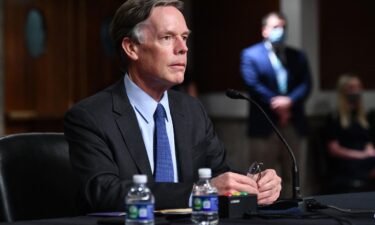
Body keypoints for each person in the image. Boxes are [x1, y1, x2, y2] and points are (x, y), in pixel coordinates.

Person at [64, 0, 281, 213]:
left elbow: (221, 175)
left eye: (185, 37)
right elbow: (103, 192)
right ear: (131, 48)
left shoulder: (192, 110)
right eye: (167, 38)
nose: (183, 48)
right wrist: (199, 191)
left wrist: (253, 185)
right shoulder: (90, 116)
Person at [240, 12, 312, 198]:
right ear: (264, 31)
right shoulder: (251, 55)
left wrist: (289, 102)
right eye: (275, 27)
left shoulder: (297, 56)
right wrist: (278, 103)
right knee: (260, 179)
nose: (280, 31)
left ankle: (293, 214)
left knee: (293, 177)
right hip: (264, 125)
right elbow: (253, 84)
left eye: (283, 27)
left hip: (293, 124)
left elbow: (306, 84)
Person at [325, 74, 375, 193]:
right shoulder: (334, 117)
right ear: (343, 91)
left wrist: (370, 150)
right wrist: (361, 155)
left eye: (358, 87)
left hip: (365, 158)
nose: (356, 91)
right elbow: (334, 149)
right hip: (347, 162)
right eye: (352, 88)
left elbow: (367, 140)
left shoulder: (363, 117)